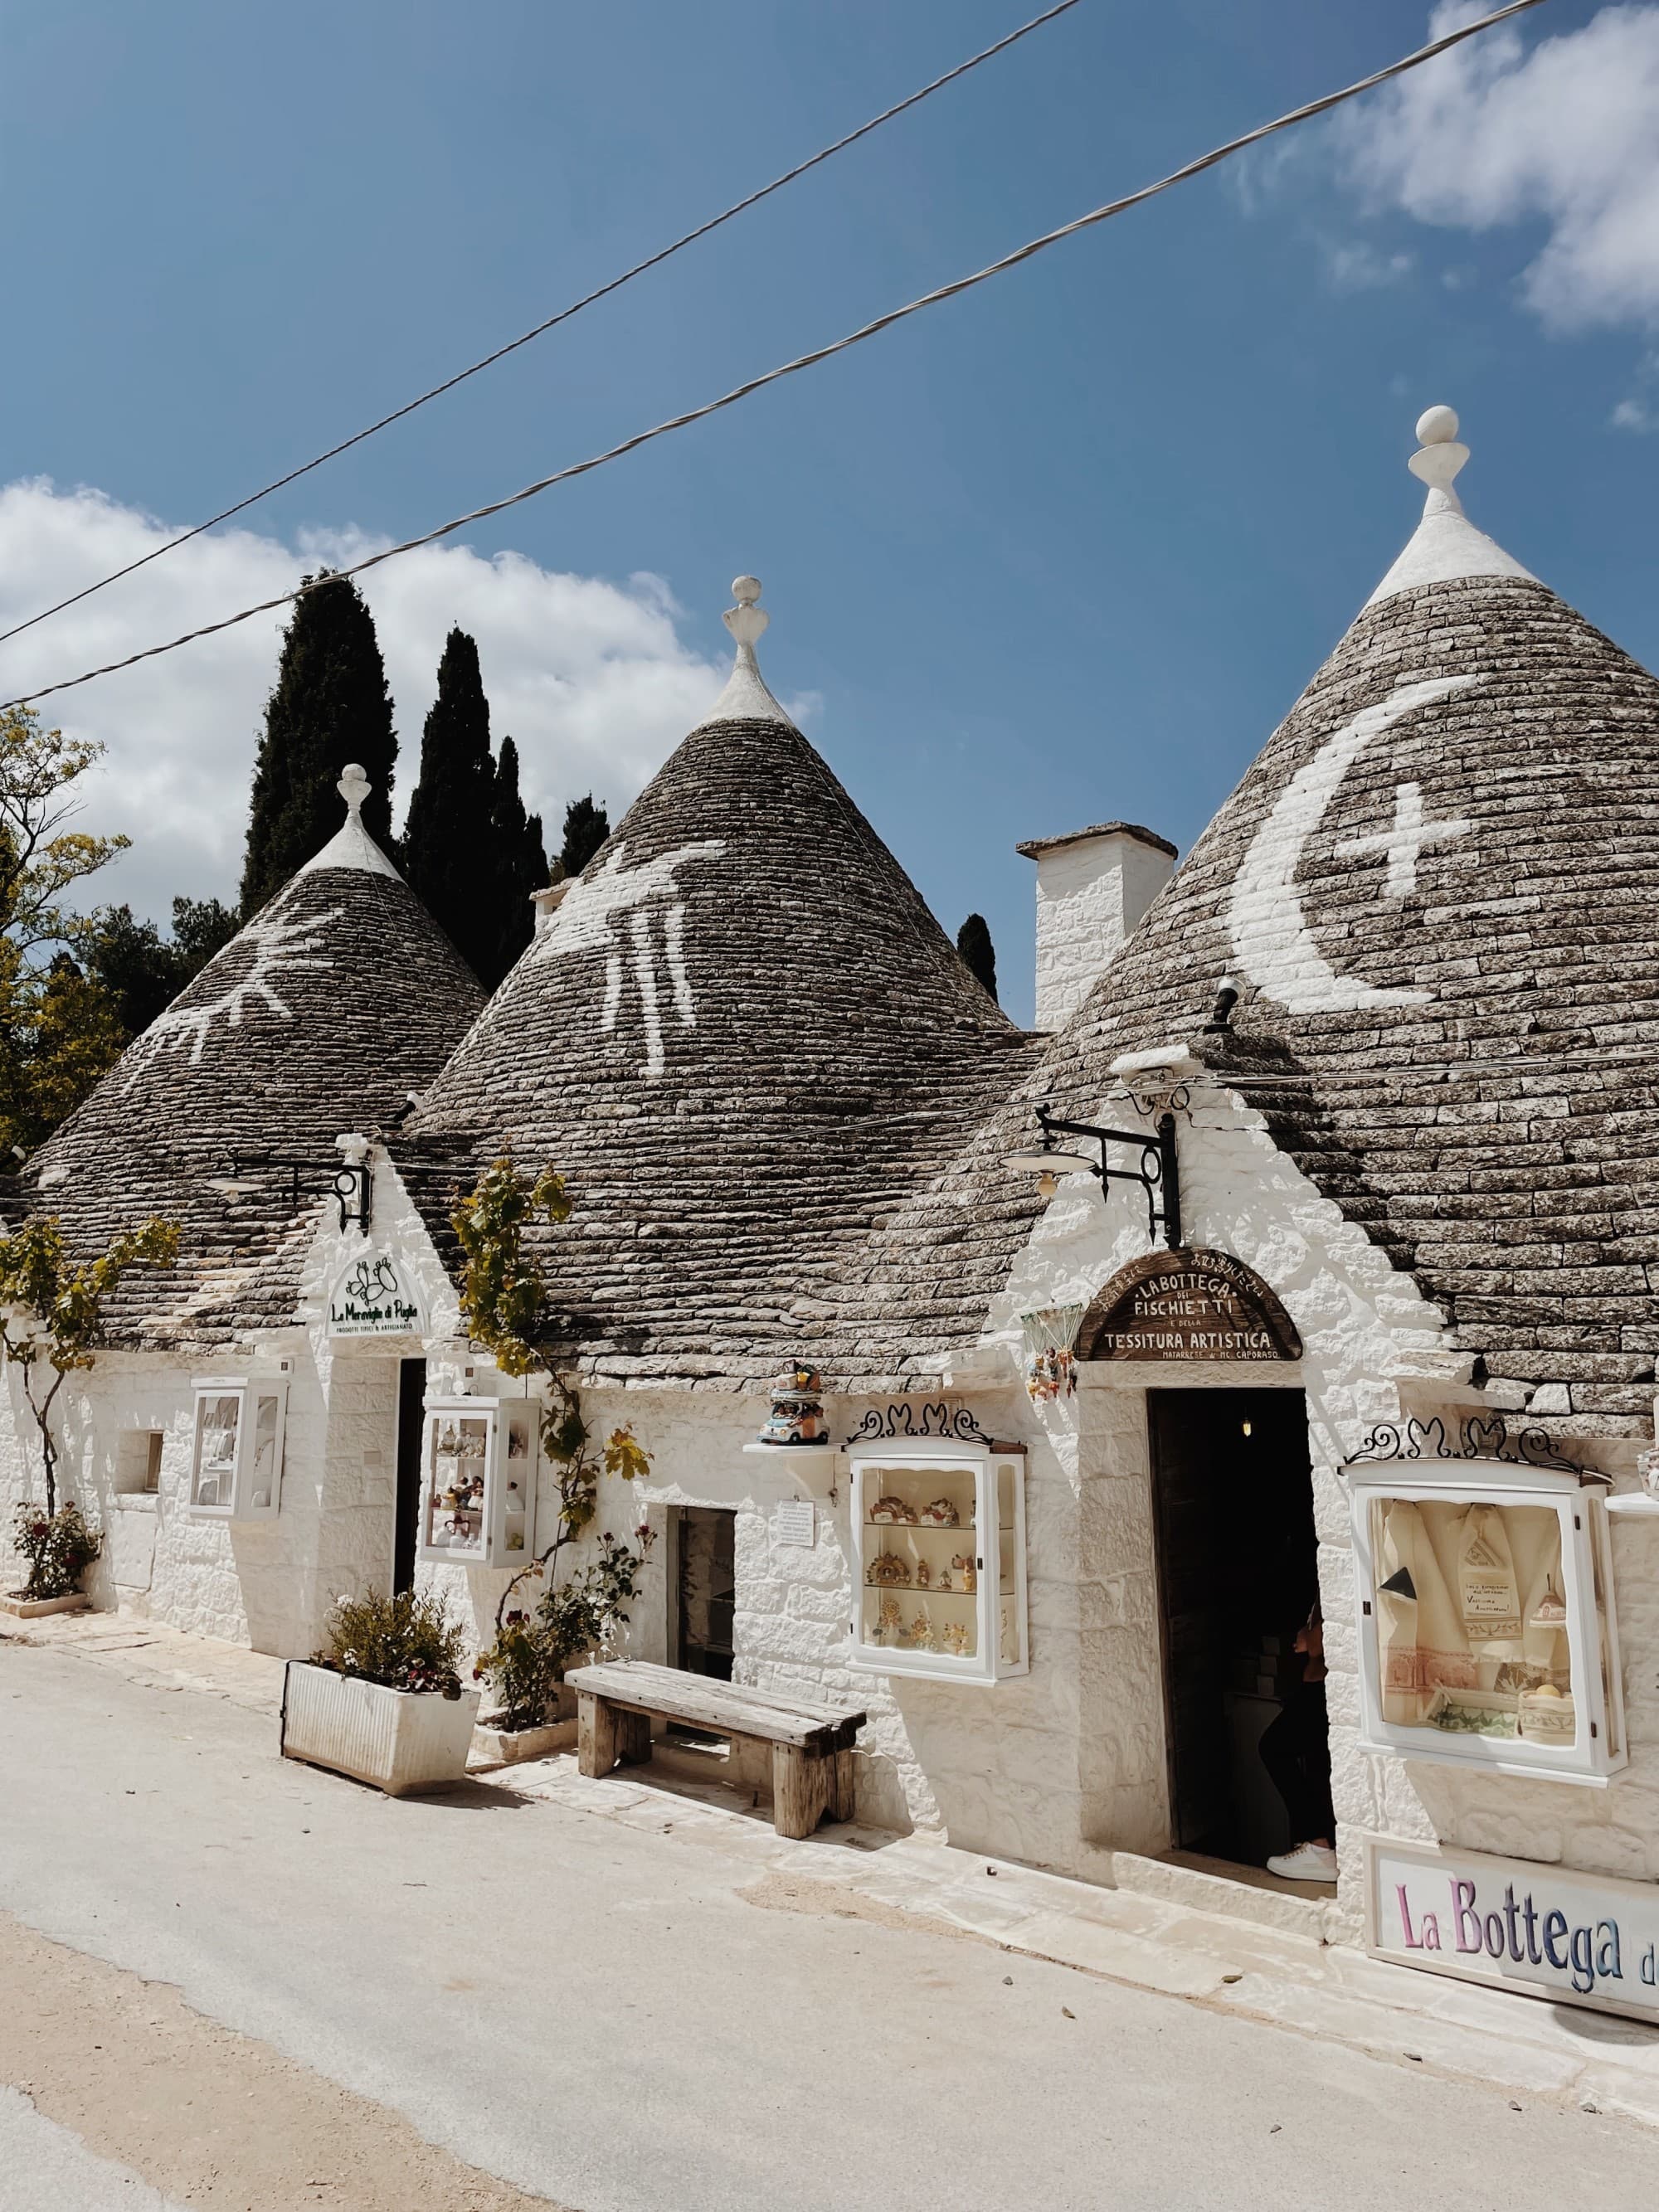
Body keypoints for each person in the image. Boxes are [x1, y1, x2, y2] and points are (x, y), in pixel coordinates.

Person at [1261, 1603, 1337, 1884]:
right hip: (1314, 1688)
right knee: (1317, 1767)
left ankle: (1319, 1846)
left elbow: (1316, 1645)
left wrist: (1307, 1634)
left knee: (1273, 1748)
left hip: (1320, 1692)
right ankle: (1319, 1847)